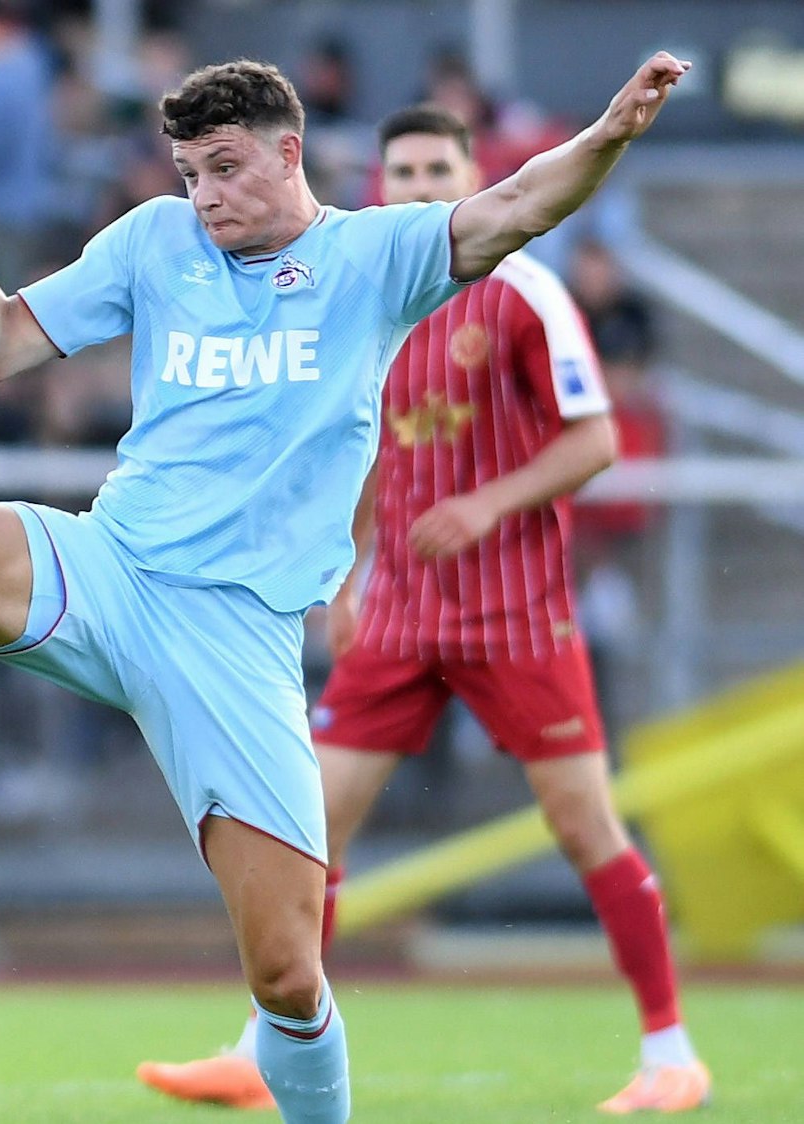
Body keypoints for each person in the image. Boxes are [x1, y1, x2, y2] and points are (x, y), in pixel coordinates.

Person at [0, 55, 691, 1124]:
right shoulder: (154, 242)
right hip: (108, 565)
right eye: (190, 173)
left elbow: (518, 205)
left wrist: (611, 131)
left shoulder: (372, 257)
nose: (204, 195)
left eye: (227, 168)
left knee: (288, 972)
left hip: (235, 636)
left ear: (291, 153)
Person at [135, 104, 709, 1116]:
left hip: (514, 614)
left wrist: (485, 502)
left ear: (468, 173)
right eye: (400, 169)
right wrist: (347, 576)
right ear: (379, 183)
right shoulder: (362, 294)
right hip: (399, 613)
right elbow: (349, 451)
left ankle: (670, 1049)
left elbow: (596, 442)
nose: (416, 184)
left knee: (583, 824)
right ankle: (257, 1051)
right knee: (306, 827)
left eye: (436, 166)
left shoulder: (526, 288)